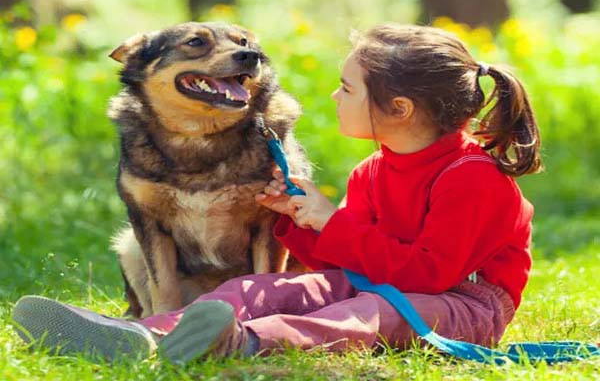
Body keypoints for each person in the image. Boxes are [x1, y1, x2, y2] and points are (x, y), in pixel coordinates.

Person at [12, 24, 542, 364]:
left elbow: (429, 276)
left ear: (399, 108)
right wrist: (294, 220)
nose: (333, 96)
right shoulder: (373, 170)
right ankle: (148, 336)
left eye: (347, 88)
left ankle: (242, 341)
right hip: (384, 283)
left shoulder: (471, 177)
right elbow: (351, 258)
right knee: (256, 290)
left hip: (461, 306)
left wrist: (330, 223)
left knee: (365, 312)